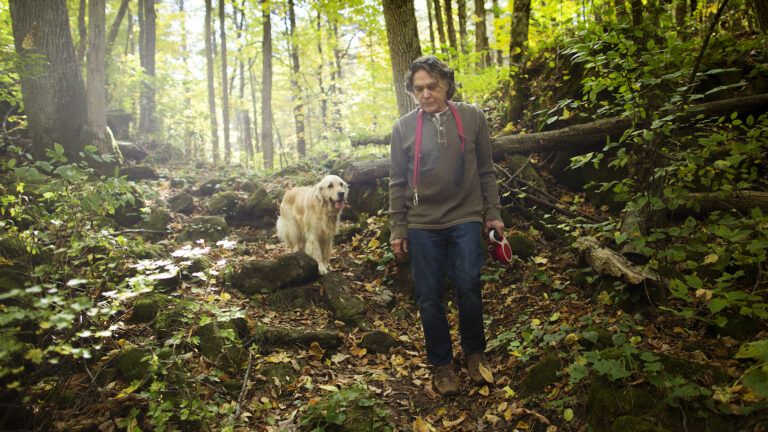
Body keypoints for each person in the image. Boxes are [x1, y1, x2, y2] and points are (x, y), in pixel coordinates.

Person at [388, 55, 504, 397]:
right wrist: (398, 228)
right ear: (412, 92)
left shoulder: (472, 117)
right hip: (422, 222)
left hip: (465, 215)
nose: (425, 94)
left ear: (447, 85)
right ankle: (440, 365)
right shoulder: (402, 128)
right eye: (418, 89)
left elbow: (486, 169)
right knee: (428, 296)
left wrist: (493, 213)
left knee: (468, 282)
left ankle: (474, 353)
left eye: (432, 86)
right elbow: (396, 181)